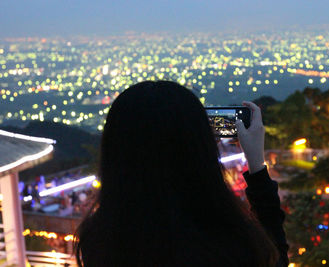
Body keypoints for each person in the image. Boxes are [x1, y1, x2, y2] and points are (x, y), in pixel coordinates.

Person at [75, 81, 289, 266]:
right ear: (201, 150)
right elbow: (275, 258)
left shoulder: (98, 242)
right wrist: (257, 167)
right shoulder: (233, 245)